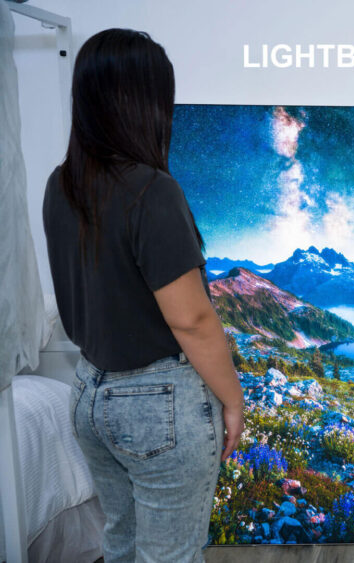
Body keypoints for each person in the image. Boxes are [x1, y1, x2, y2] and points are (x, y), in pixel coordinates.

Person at [42, 29, 244, 562]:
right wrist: (234, 399)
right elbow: (193, 321)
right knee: (171, 555)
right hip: (159, 405)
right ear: (145, 103)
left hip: (88, 394)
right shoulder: (153, 190)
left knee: (122, 542)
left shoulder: (60, 185)